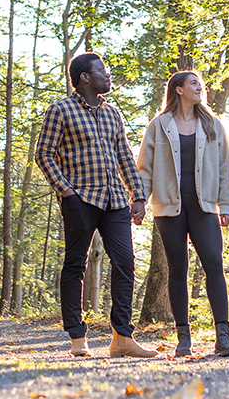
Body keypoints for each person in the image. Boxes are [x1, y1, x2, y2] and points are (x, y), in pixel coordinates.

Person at [35, 52, 156, 359]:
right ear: (85, 77)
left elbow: (125, 157)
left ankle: (122, 338)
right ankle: (77, 338)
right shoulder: (60, 110)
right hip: (80, 198)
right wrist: (67, 193)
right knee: (76, 264)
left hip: (115, 199)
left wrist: (138, 196)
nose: (109, 74)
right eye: (103, 70)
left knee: (125, 263)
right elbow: (45, 154)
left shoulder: (113, 113)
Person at [137, 71, 229, 358]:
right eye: (193, 83)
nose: (200, 87)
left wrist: (226, 204)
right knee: (177, 268)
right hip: (169, 208)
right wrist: (140, 200)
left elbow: (224, 168)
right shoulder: (159, 125)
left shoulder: (213, 125)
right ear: (178, 90)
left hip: (205, 206)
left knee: (214, 266)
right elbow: (144, 168)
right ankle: (184, 339)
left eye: (200, 84)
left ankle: (223, 337)